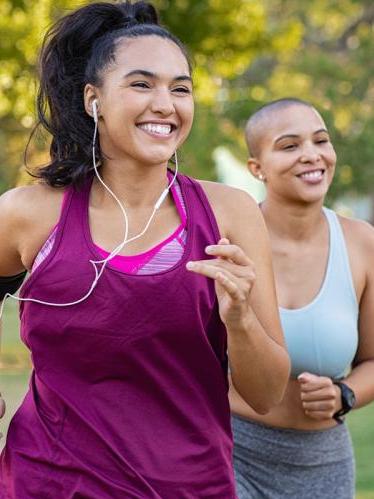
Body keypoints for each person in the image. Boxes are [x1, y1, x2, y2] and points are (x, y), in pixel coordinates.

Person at [0, 2, 290, 497]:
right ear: (94, 99)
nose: (166, 104)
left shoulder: (231, 214)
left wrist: (239, 319)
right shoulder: (28, 213)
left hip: (191, 486)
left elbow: (265, 396)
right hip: (45, 482)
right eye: (141, 84)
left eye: (181, 88)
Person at [231, 97, 374, 499]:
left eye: (320, 141)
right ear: (256, 168)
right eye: (290, 145)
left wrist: (343, 395)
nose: (311, 156)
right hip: (230, 451)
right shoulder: (227, 241)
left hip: (323, 465)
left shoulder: (362, 242)